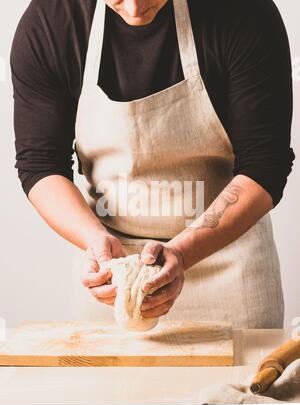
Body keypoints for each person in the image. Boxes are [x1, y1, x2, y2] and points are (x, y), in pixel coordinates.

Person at [11, 0, 295, 328]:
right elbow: (41, 165)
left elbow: (264, 166)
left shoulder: (243, 11)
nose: (134, 9)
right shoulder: (52, 22)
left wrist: (184, 252)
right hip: (113, 277)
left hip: (230, 268)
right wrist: (94, 240)